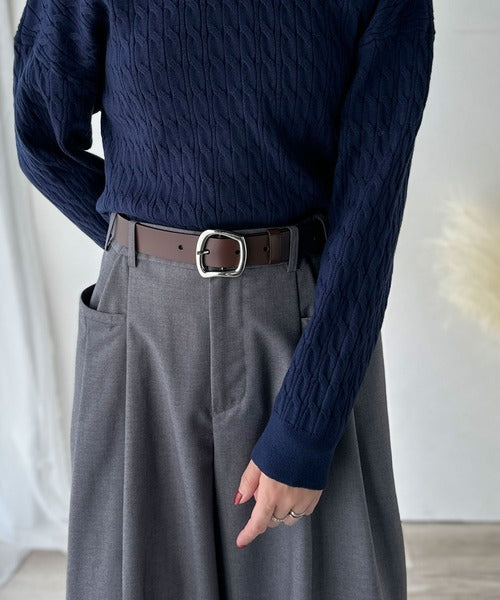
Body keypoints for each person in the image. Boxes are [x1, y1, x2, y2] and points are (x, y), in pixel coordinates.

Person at [12, 0, 435, 597]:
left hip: (302, 326)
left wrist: (306, 427)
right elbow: (41, 132)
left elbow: (371, 207)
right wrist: (142, 249)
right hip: (142, 330)